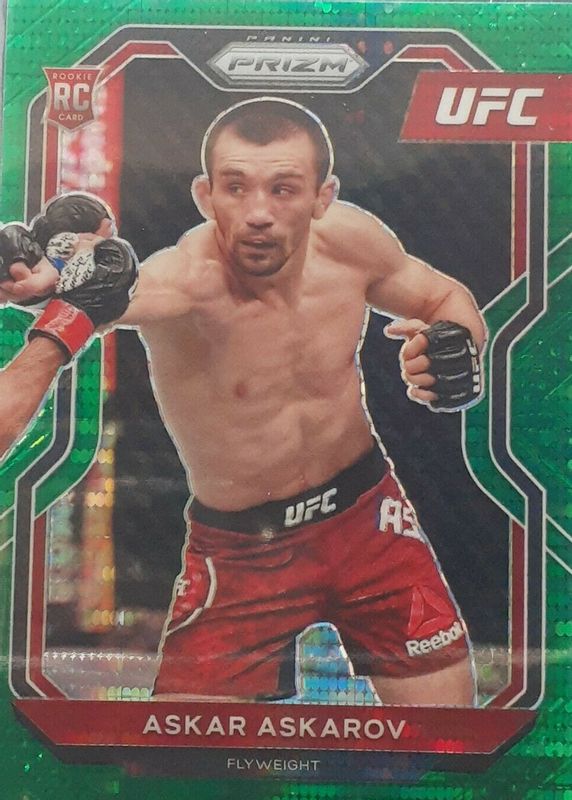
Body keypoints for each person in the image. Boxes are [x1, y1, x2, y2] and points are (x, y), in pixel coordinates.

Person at [0, 98, 486, 706]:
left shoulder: (353, 243)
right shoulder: (183, 278)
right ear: (206, 196)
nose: (258, 214)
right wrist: (55, 293)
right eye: (236, 188)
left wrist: (455, 344)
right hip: (239, 555)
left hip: (369, 522)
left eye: (283, 189)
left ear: (322, 197)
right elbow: (110, 295)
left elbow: (443, 296)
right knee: (183, 750)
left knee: (451, 736)